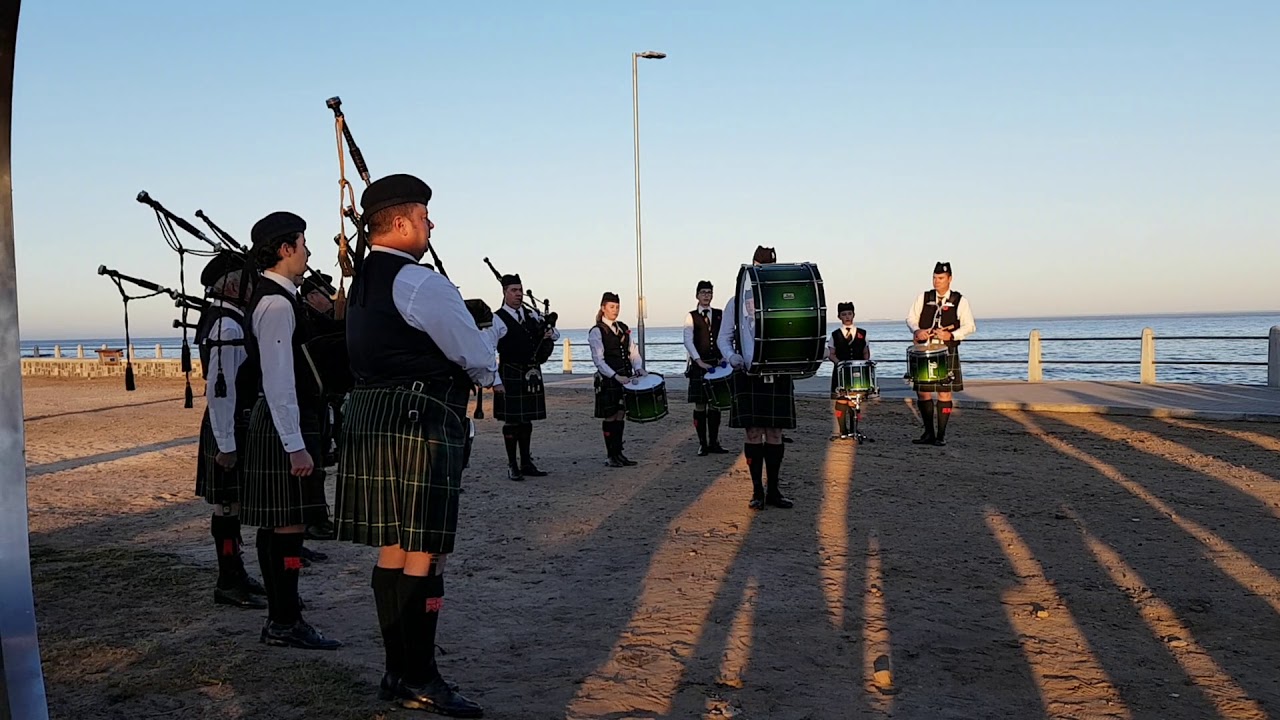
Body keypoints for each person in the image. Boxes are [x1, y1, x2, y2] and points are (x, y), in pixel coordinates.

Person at [335, 173, 493, 717]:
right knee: (428, 549)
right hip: (422, 420)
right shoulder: (419, 283)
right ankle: (420, 676)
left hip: (377, 418)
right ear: (401, 223)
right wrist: (486, 356)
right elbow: (477, 357)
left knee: (396, 548)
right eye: (425, 217)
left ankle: (395, 671)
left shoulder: (360, 284)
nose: (431, 226)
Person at [237, 210, 342, 651]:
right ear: (285, 249)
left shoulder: (278, 298)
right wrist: (296, 445)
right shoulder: (277, 304)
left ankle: (284, 614)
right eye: (303, 244)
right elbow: (279, 378)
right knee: (288, 526)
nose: (308, 252)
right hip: (284, 422)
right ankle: (284, 619)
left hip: (278, 422)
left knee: (277, 525)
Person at [193, 250, 266, 609]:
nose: (255, 286)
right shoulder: (228, 326)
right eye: (249, 280)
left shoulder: (228, 319)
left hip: (231, 424)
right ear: (234, 284)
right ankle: (227, 578)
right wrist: (226, 442)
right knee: (226, 507)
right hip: (228, 425)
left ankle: (235, 572)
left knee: (231, 507)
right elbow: (222, 391)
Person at [717, 246, 794, 510]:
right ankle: (756, 491)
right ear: (752, 266)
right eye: (760, 266)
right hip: (748, 373)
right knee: (753, 432)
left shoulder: (783, 299)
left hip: (777, 371)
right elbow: (723, 338)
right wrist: (732, 358)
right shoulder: (736, 300)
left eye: (769, 267)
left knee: (774, 432)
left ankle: (774, 490)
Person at [492, 273, 560, 481]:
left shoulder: (531, 315)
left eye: (520, 290)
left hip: (531, 372)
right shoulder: (497, 319)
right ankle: (512, 464)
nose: (519, 294)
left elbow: (555, 334)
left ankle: (527, 462)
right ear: (504, 292)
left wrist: (548, 332)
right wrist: (494, 380)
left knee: (527, 420)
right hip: (510, 372)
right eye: (514, 290)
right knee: (512, 421)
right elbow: (487, 349)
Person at [905, 261, 976, 446]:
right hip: (924, 350)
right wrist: (916, 330)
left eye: (941, 278)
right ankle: (928, 433)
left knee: (945, 394)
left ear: (950, 279)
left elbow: (970, 326)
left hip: (946, 351)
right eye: (934, 278)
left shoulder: (960, 300)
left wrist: (951, 334)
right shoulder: (924, 297)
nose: (936, 282)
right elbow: (911, 317)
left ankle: (941, 436)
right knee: (923, 393)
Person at [588, 292, 646, 467]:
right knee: (610, 416)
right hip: (609, 379)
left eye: (617, 307)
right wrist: (615, 376)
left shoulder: (622, 327)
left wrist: (639, 367)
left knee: (621, 415)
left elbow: (633, 351)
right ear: (603, 308)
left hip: (625, 378)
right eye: (612, 307)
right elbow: (599, 360)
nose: (615, 310)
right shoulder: (597, 331)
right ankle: (610, 455)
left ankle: (619, 453)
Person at [682, 280, 729, 456]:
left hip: (717, 364)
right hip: (699, 366)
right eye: (703, 292)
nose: (706, 295)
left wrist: (725, 356)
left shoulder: (719, 314)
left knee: (715, 405)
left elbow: (725, 336)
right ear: (697, 295)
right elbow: (688, 340)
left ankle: (714, 442)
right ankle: (702, 444)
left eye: (709, 292)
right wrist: (698, 360)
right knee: (700, 405)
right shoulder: (690, 316)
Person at [826, 301, 871, 440]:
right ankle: (842, 430)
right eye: (844, 314)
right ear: (839, 316)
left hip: (857, 372)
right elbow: (831, 354)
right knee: (841, 401)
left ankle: (854, 429)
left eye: (849, 314)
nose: (847, 317)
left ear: (853, 315)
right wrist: (839, 364)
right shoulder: (835, 335)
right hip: (840, 372)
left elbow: (866, 352)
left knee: (854, 401)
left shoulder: (863, 334)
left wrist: (864, 365)